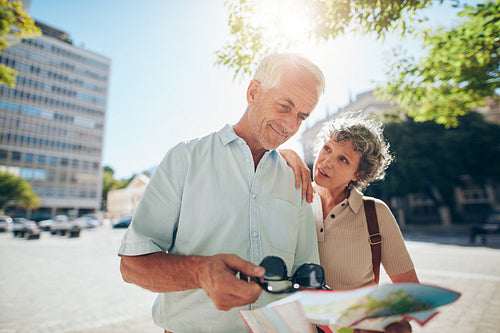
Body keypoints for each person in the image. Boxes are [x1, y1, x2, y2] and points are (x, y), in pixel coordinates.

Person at [118, 52, 325, 333]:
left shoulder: (295, 179)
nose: (290, 125)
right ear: (253, 92)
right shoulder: (185, 159)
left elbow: (306, 278)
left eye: (301, 116)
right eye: (284, 106)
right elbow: (132, 266)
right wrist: (200, 273)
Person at [281, 113, 419, 333]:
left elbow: (411, 291)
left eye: (342, 159)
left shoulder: (375, 213)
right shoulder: (292, 201)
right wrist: (282, 154)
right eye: (327, 149)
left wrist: (381, 323)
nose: (326, 162)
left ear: (359, 174)